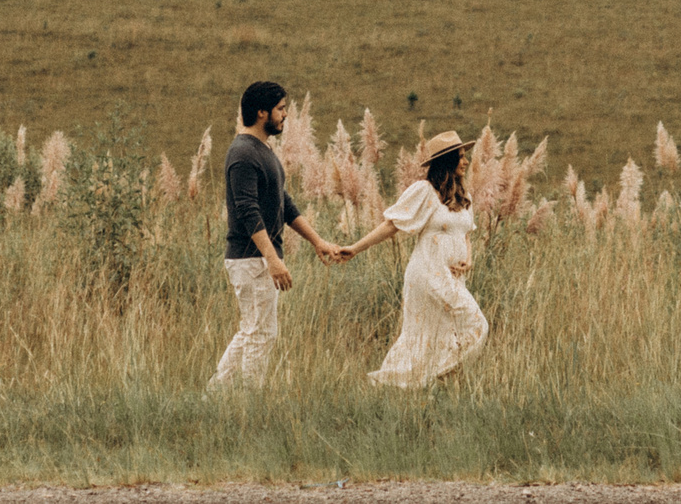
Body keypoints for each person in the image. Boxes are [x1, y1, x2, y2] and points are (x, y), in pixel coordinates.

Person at [208, 79, 346, 390]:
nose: (285, 115)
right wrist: (272, 260)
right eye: (281, 109)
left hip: (257, 258)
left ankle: (216, 394)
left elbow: (283, 202)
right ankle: (248, 403)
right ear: (261, 112)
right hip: (251, 257)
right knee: (261, 332)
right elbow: (246, 210)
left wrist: (318, 241)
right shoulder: (243, 153)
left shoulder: (262, 150)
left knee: (251, 330)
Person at [338, 130, 487, 388]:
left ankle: (403, 385)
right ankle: (426, 380)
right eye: (461, 157)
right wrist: (355, 248)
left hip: (453, 278)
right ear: (447, 160)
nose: (466, 162)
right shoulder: (425, 191)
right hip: (428, 274)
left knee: (435, 335)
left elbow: (467, 235)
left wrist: (468, 260)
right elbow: (391, 224)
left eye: (466, 156)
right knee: (474, 324)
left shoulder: (464, 196)